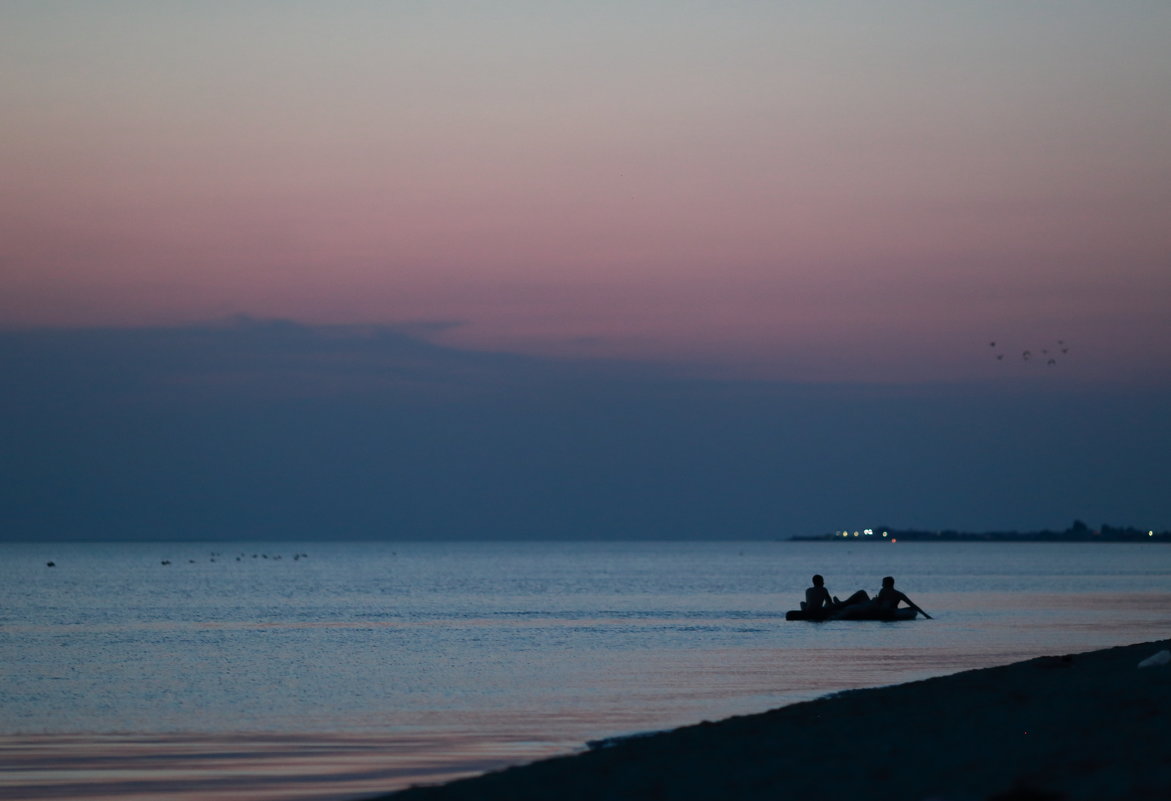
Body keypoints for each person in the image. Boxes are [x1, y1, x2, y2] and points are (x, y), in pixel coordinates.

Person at [802, 575, 870, 612]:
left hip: (809, 610)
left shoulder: (808, 590)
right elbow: (829, 601)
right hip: (819, 610)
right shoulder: (824, 589)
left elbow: (809, 602)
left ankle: (840, 603)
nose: (824, 583)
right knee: (828, 604)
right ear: (821, 582)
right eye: (823, 581)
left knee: (802, 603)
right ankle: (840, 604)